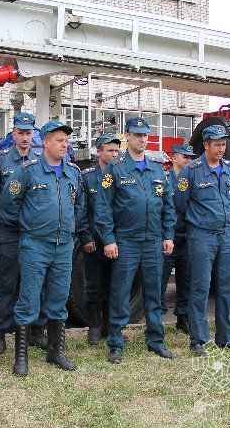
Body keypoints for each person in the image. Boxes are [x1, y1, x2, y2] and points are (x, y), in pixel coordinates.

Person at [0, 120, 88, 376]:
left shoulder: (72, 173)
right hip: (35, 246)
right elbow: (8, 208)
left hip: (63, 247)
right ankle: (21, 357)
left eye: (66, 140)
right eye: (59, 140)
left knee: (59, 300)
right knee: (28, 300)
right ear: (45, 142)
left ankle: (55, 351)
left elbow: (78, 206)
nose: (64, 144)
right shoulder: (27, 172)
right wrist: (30, 228)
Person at [94, 116, 176, 365]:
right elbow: (103, 207)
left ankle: (156, 341)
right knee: (120, 293)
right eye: (137, 135)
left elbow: (168, 206)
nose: (142, 139)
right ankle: (116, 343)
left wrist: (168, 235)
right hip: (127, 241)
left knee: (154, 293)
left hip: (153, 241)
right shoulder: (116, 168)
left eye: (145, 135)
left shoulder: (156, 169)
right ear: (126, 136)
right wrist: (108, 239)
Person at [174, 125, 230, 355]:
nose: (221, 149)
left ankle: (226, 337)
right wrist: (196, 225)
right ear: (205, 145)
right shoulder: (192, 170)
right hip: (201, 235)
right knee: (200, 288)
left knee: (227, 287)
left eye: (223, 144)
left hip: (225, 235)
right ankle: (198, 340)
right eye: (217, 145)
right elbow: (180, 205)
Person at [0, 112, 46, 354]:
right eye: (20, 133)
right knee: (7, 283)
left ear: (33, 135)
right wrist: (5, 223)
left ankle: (36, 331)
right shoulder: (0, 161)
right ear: (13, 134)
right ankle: (0, 335)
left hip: (34, 234)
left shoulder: (40, 160)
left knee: (35, 283)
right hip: (10, 233)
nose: (24, 137)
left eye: (28, 133)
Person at [80, 133, 121, 345]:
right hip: (94, 242)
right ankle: (94, 326)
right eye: (109, 150)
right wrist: (86, 237)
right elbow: (82, 210)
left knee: (114, 285)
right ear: (99, 152)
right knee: (94, 285)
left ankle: (109, 326)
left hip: (116, 241)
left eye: (116, 151)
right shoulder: (87, 177)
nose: (114, 155)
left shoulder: (121, 174)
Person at [160, 144, 195, 333]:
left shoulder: (193, 179)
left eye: (191, 157)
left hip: (187, 236)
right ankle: (157, 316)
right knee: (161, 279)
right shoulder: (165, 178)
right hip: (169, 236)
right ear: (174, 158)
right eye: (185, 157)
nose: (189, 160)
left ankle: (183, 316)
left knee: (186, 278)